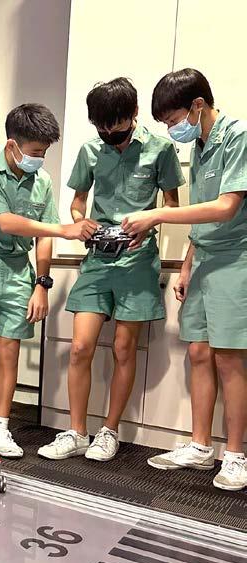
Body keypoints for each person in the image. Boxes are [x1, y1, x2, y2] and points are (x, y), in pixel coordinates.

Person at [38, 78, 184, 462]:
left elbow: (172, 205)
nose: (108, 133)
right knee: (80, 347)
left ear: (133, 114)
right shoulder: (90, 150)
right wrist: (80, 221)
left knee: (123, 348)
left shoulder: (160, 149)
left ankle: (109, 431)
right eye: (101, 126)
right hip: (97, 259)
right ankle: (76, 432)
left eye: (115, 125)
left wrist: (149, 222)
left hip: (137, 261)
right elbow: (77, 204)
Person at [0, 103, 97, 458]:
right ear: (12, 145)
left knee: (9, 350)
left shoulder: (42, 182)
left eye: (44, 153)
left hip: (18, 270)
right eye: (35, 152)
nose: (39, 159)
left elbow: (42, 237)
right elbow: (6, 222)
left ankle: (1, 427)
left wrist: (42, 283)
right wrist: (64, 229)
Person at [121, 68, 247, 490]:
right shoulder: (202, 146)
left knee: (230, 358)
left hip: (237, 259)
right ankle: (200, 446)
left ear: (198, 105)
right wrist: (188, 263)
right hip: (206, 258)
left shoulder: (238, 137)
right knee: (198, 353)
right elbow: (202, 215)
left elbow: (226, 207)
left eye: (174, 120)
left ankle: (236, 455)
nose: (172, 130)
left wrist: (158, 214)